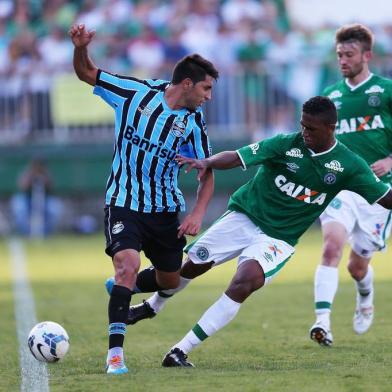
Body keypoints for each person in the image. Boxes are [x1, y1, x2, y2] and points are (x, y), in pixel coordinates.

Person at [124, 96, 392, 367]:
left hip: (278, 238)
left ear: (331, 128)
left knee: (244, 281)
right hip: (245, 216)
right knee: (192, 266)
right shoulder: (285, 144)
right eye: (302, 126)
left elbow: (385, 197)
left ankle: (180, 350)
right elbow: (239, 156)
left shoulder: (349, 164)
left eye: (311, 129)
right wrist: (208, 162)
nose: (304, 133)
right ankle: (151, 306)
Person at [69, 23, 218, 374]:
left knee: (171, 280)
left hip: (165, 209)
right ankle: (115, 356)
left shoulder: (194, 122)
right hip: (124, 199)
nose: (208, 96)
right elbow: (87, 72)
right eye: (206, 88)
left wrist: (197, 212)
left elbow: (207, 170)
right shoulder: (134, 93)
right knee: (126, 264)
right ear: (187, 83)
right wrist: (79, 48)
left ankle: (128, 286)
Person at [309, 24, 392, 347]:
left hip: (380, 192)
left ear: (367, 55)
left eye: (349, 54)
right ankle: (322, 323)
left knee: (357, 267)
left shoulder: (385, 91)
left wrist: (389, 161)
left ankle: (365, 293)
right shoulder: (330, 96)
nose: (343, 60)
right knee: (331, 247)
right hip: (341, 187)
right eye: (339, 54)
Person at [10, 159, 63, 237]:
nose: (38, 168)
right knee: (19, 208)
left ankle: (46, 233)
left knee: (54, 208)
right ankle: (26, 233)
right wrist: (31, 178)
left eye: (40, 165)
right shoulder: (27, 173)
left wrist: (44, 179)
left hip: (45, 199)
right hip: (27, 198)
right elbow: (22, 186)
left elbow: (52, 187)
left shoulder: (46, 173)